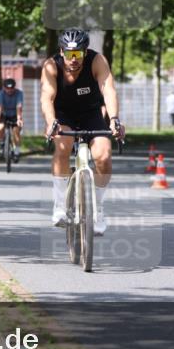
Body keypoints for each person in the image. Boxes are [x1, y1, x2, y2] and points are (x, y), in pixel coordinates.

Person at [42, 28, 124, 235]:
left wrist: (114, 119)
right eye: (69, 54)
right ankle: (60, 206)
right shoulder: (51, 66)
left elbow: (109, 90)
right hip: (63, 115)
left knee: (104, 156)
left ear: (85, 52)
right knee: (63, 146)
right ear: (62, 52)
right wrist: (52, 122)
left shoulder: (97, 61)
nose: (74, 59)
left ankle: (98, 208)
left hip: (91, 113)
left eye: (78, 54)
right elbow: (47, 97)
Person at [0, 78, 24, 162]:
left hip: (15, 114)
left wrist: (19, 119)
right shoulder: (1, 94)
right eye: (7, 88)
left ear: (14, 87)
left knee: (16, 131)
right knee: (0, 128)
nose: (9, 90)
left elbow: (19, 107)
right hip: (4, 114)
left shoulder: (19, 93)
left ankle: (16, 152)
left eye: (11, 88)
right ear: (4, 88)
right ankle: (2, 142)